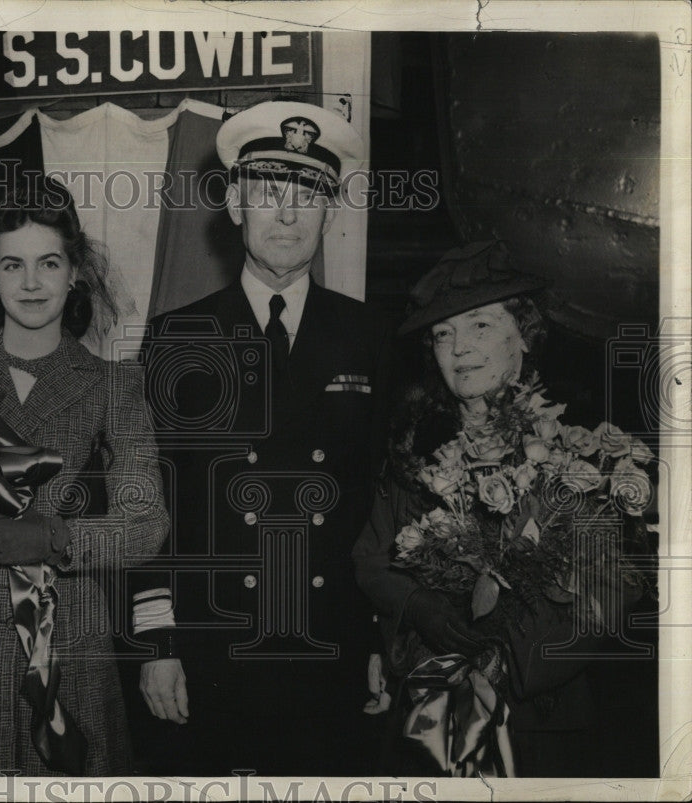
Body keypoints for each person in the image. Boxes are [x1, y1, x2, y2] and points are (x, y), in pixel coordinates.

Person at [131, 101, 393, 776]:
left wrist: (376, 639)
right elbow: (148, 505)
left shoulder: (368, 336)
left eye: (308, 196)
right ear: (236, 205)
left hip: (328, 644)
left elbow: (378, 504)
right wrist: (156, 642)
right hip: (209, 649)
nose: (287, 215)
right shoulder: (175, 337)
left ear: (330, 213)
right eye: (269, 194)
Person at [0, 175, 169, 776]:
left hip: (68, 628)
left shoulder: (112, 386)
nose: (32, 282)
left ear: (75, 273)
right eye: (12, 265)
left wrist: (56, 537)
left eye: (49, 262)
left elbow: (147, 525)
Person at [352, 240, 652, 777]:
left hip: (539, 721)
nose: (459, 348)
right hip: (428, 716)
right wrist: (419, 607)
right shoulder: (412, 452)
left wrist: (503, 659)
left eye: (481, 327)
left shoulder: (577, 452)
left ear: (525, 338)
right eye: (443, 334)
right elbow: (371, 558)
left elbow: (610, 587)